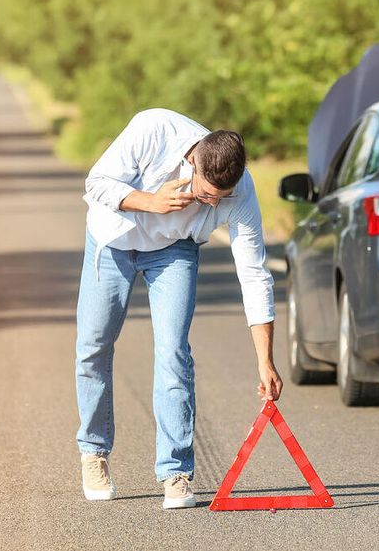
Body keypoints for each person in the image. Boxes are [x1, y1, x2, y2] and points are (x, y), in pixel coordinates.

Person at [75, 108, 283, 509]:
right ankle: (94, 452)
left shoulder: (241, 192)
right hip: (113, 240)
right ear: (192, 160)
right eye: (205, 194)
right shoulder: (153, 128)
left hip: (173, 250)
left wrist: (265, 361)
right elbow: (96, 182)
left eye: (218, 200)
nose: (209, 204)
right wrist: (150, 202)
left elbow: (254, 274)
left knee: (173, 350)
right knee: (93, 345)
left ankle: (176, 473)